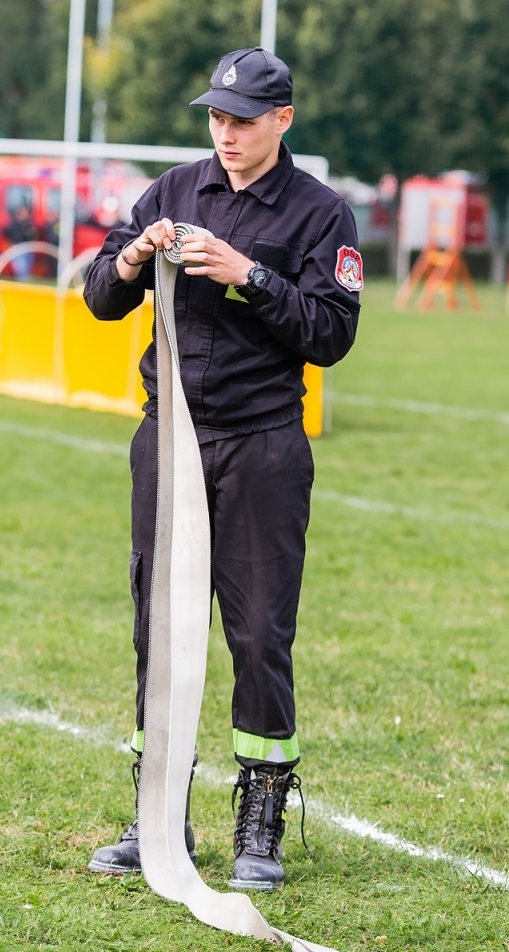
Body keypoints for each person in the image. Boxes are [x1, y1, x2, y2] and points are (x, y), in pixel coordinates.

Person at [82, 48, 363, 890]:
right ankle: (157, 814)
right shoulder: (172, 191)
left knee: (259, 633)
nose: (226, 134)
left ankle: (261, 821)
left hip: (263, 447)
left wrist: (250, 276)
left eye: (242, 120)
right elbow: (99, 295)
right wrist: (133, 258)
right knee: (160, 629)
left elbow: (331, 335)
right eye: (216, 118)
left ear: (283, 120)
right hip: (169, 438)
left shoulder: (321, 214)